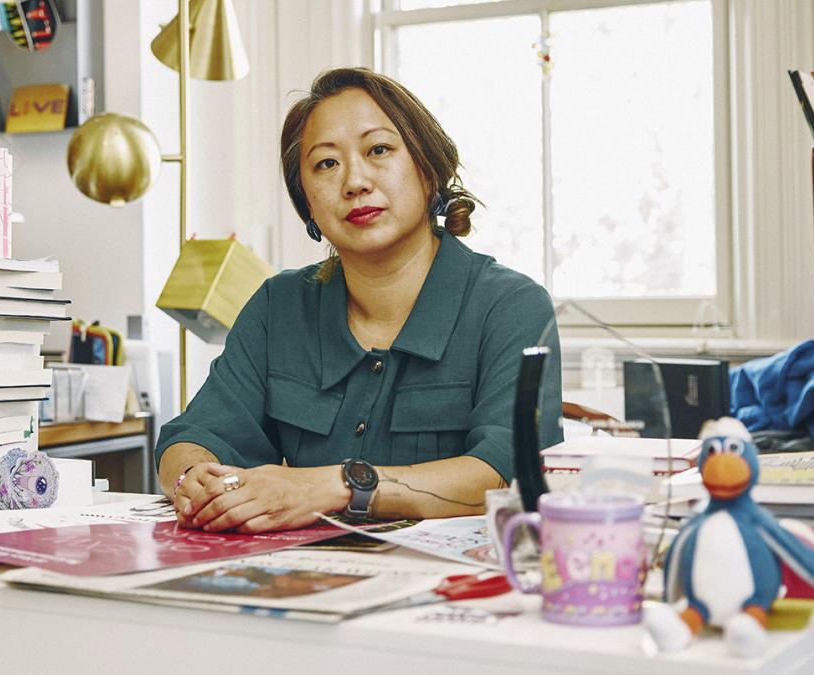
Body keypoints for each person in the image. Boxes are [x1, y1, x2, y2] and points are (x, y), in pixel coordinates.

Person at [156, 67, 561, 533]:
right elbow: (194, 435)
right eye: (326, 164)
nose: (355, 181)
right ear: (307, 204)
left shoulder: (511, 307)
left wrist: (337, 487)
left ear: (429, 170)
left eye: (379, 150)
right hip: (298, 571)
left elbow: (507, 473)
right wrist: (194, 478)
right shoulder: (278, 305)